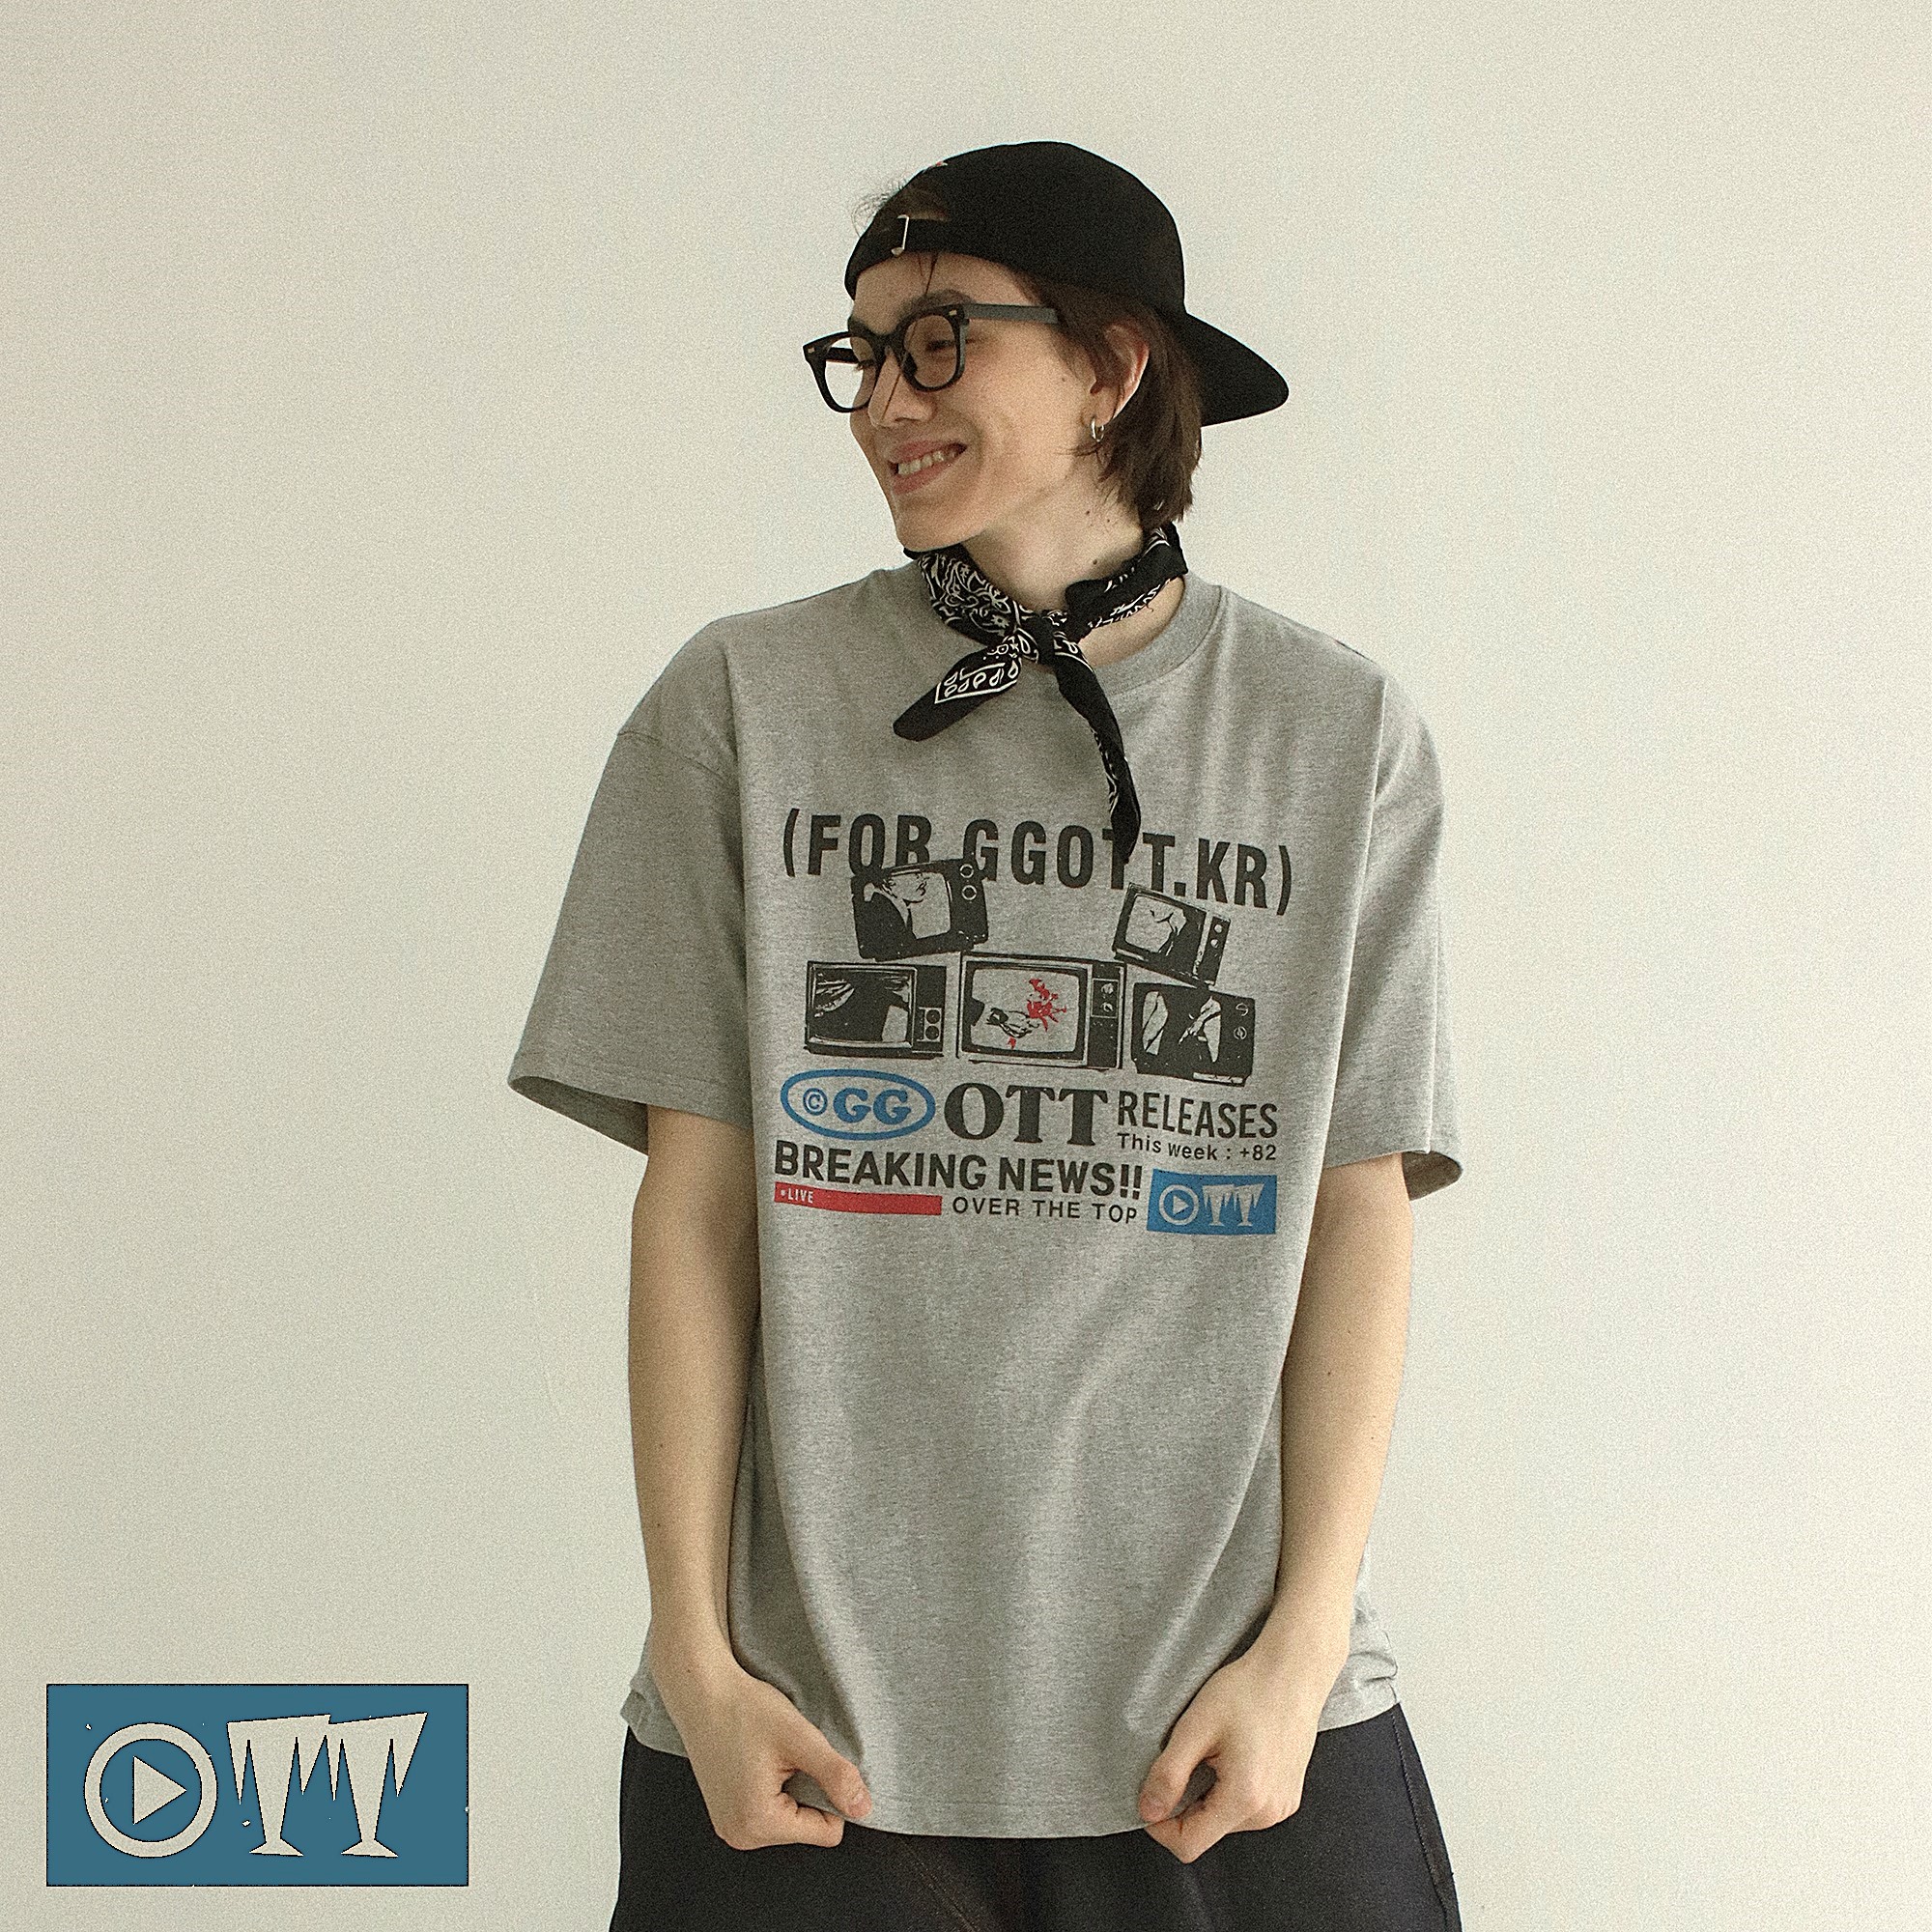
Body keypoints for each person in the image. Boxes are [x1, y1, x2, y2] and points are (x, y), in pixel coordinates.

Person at [508, 139, 1467, 1931]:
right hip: (814, 1734)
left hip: (1231, 1723)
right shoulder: (743, 706)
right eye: (861, 353)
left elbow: (1356, 1204)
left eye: (939, 340)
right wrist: (696, 1658)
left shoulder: (1336, 739)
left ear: (1113, 365)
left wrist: (1305, 1644)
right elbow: (696, 1215)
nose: (884, 400)